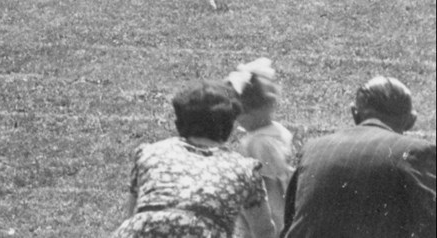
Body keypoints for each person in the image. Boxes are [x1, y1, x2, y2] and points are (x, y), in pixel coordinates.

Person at [114, 81, 275, 237]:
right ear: (229, 125)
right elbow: (264, 231)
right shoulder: (244, 169)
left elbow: (131, 215)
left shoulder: (149, 153)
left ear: (179, 121)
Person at [283, 76, 436, 237]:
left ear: (354, 113)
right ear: (411, 120)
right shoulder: (414, 152)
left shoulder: (313, 148)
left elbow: (289, 222)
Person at [226, 58, 292, 236]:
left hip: (267, 207)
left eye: (242, 113)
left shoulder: (259, 143)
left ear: (259, 110)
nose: (239, 119)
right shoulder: (278, 130)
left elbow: (269, 186)